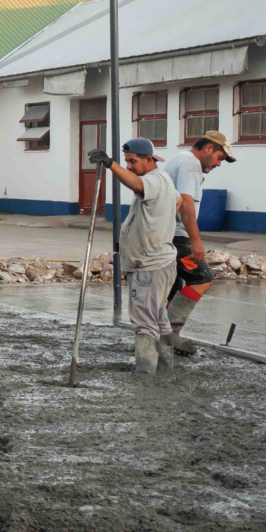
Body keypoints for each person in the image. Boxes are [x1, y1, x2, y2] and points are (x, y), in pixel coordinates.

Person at [89, 138, 180, 374]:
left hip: (149, 266)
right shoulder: (164, 180)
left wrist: (111, 164)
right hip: (161, 262)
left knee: (144, 324)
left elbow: (137, 185)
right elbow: (178, 201)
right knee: (159, 318)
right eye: (126, 161)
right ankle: (165, 367)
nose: (129, 166)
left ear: (149, 160)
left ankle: (145, 375)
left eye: (133, 161)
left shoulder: (152, 180)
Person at [162, 132, 236, 355]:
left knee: (173, 287)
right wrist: (196, 242)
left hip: (164, 233)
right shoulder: (191, 164)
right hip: (176, 235)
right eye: (219, 157)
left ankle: (159, 333)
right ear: (208, 149)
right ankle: (169, 333)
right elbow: (185, 203)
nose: (218, 164)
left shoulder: (180, 159)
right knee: (202, 278)